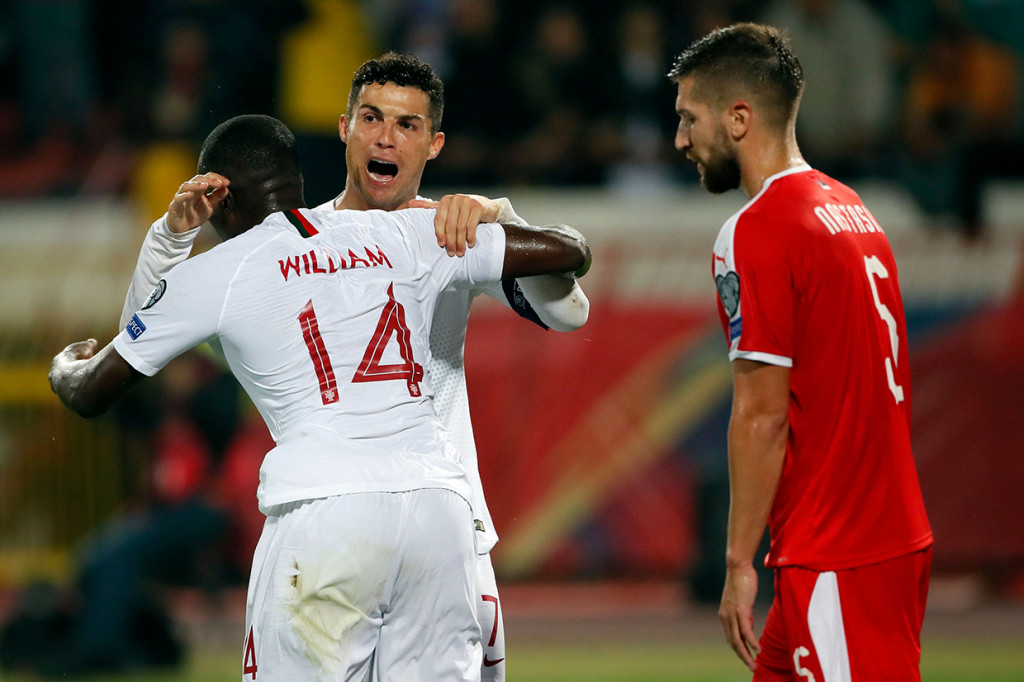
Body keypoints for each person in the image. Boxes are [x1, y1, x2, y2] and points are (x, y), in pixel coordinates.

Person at [49, 114, 591, 681]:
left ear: (218, 192)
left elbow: (95, 386)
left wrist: (70, 358)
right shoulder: (398, 230)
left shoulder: (220, 272)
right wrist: (492, 215)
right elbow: (563, 250)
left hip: (327, 513)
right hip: (439, 514)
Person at [668, 24, 933, 680]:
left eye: (688, 118)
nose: (680, 140)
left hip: (838, 549)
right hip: (873, 534)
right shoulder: (853, 210)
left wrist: (734, 564)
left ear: (738, 118)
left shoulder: (757, 231)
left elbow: (762, 414)